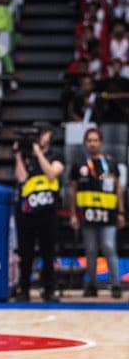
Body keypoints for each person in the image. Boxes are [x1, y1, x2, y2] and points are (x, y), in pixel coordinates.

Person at [69, 127, 124, 298]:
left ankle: (116, 285)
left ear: (101, 142)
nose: (92, 143)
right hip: (87, 215)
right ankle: (91, 284)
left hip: (108, 215)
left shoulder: (111, 163)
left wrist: (121, 212)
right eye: (89, 140)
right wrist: (72, 214)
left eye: (95, 140)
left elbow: (118, 189)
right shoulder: (79, 165)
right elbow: (73, 191)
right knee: (91, 250)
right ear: (85, 143)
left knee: (109, 247)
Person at [14, 126, 64, 302]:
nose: (39, 137)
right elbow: (21, 178)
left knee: (47, 253)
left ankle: (49, 290)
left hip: (48, 212)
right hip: (27, 212)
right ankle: (24, 289)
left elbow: (51, 173)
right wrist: (19, 156)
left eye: (42, 133)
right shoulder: (26, 156)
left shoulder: (56, 155)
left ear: (48, 136)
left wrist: (38, 153)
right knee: (25, 253)